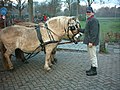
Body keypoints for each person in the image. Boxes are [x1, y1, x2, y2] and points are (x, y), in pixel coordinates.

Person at [79, 6, 100, 76]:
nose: (88, 13)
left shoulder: (93, 20)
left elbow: (94, 33)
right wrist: (79, 29)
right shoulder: (89, 20)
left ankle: (94, 71)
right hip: (89, 41)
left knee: (93, 56)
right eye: (87, 12)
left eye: (89, 12)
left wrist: (91, 42)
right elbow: (86, 31)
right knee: (91, 55)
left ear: (92, 13)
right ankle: (92, 68)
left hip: (91, 42)